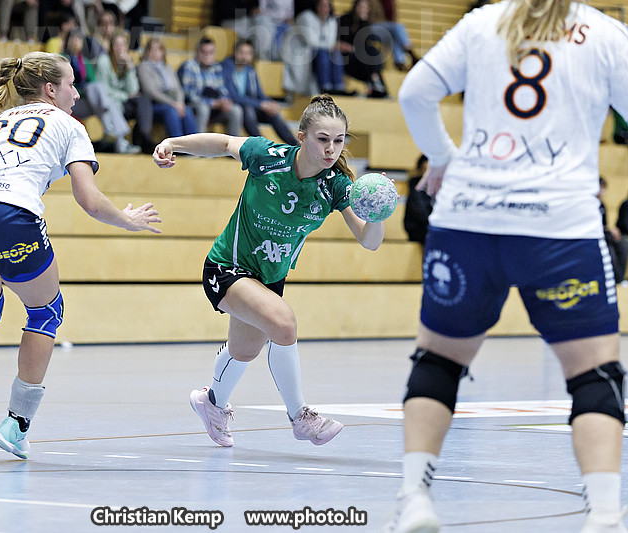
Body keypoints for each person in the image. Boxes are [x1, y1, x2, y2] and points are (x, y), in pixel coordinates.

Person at [392, 1, 628, 532]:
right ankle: (603, 516)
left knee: (438, 361)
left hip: (467, 220)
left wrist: (443, 157)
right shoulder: (607, 35)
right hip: (558, 228)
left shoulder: (482, 22)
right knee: (594, 375)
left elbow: (414, 93)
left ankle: (414, 499)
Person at [0, 51, 162, 459]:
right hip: (10, 215)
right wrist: (128, 220)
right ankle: (16, 426)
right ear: (50, 89)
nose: (76, 94)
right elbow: (89, 200)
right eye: (71, 84)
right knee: (46, 312)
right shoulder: (69, 125)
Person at [152, 94, 386, 447]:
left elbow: (369, 241)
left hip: (269, 280)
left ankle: (211, 403)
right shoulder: (267, 156)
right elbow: (224, 143)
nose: (331, 149)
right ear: (302, 137)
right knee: (284, 323)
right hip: (227, 268)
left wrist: (378, 213)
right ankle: (300, 417)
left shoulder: (335, 186)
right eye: (322, 139)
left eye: (338, 140)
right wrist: (173, 143)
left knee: (244, 351)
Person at [64, 28, 141, 153]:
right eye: (72, 38)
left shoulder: (85, 61)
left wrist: (130, 68)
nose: (75, 42)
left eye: (79, 39)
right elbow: (96, 87)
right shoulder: (62, 59)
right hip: (70, 101)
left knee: (102, 97)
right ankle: (117, 137)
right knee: (95, 90)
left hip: (90, 102)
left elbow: (133, 91)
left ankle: (117, 140)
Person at [221, 39, 298, 145]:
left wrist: (269, 103)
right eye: (241, 52)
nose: (244, 57)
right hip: (237, 108)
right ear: (235, 52)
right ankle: (262, 145)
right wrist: (261, 105)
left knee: (273, 113)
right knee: (248, 110)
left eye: (248, 53)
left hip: (252, 107)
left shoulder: (250, 70)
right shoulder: (226, 68)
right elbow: (234, 97)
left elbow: (259, 94)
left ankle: (296, 145)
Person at [282, 0, 356, 97]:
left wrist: (333, 45)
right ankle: (325, 87)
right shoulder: (306, 17)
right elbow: (311, 41)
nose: (323, 8)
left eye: (326, 6)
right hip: (300, 52)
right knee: (323, 54)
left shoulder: (331, 21)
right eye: (321, 5)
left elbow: (330, 42)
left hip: (316, 52)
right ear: (316, 6)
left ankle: (339, 88)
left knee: (336, 54)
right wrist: (333, 45)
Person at [95, 31, 154, 153]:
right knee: (123, 103)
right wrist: (125, 95)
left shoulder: (127, 62)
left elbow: (133, 90)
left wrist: (130, 67)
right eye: (117, 45)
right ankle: (138, 140)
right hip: (109, 102)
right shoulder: (103, 61)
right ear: (111, 47)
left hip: (123, 102)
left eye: (123, 44)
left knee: (144, 100)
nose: (120, 48)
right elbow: (103, 90)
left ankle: (144, 137)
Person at [178, 37, 243, 136]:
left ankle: (233, 145)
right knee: (203, 109)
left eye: (211, 52)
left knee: (236, 110)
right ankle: (198, 144)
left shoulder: (217, 67)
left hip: (215, 107)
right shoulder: (189, 66)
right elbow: (189, 96)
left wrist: (224, 101)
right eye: (204, 52)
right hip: (194, 107)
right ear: (197, 53)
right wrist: (213, 103)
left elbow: (223, 90)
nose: (207, 56)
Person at [137, 37, 198, 139]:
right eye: (152, 49)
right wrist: (173, 104)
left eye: (158, 49)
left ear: (163, 52)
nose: (155, 53)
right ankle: (177, 145)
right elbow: (150, 91)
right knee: (172, 111)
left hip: (173, 103)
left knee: (187, 110)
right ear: (147, 52)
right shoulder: (143, 67)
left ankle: (195, 145)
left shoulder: (168, 68)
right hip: (155, 104)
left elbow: (179, 89)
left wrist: (179, 103)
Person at [337, 0, 388, 98]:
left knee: (372, 53)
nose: (362, 9)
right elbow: (341, 40)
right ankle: (377, 84)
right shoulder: (345, 19)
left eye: (365, 8)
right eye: (361, 7)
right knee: (372, 54)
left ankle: (375, 83)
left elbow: (363, 43)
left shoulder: (365, 23)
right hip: (345, 56)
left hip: (358, 57)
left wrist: (363, 22)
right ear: (355, 7)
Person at [368, 0, 418, 71]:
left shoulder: (388, 2)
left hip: (384, 28)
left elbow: (392, 17)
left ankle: (399, 62)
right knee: (397, 27)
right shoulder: (371, 2)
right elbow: (369, 17)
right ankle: (410, 52)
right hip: (370, 28)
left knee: (394, 35)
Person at [599, 177, 628, 283]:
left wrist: (609, 229)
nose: (603, 191)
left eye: (604, 188)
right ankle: (616, 278)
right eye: (601, 188)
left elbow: (605, 224)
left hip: (607, 234)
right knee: (610, 250)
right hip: (595, 236)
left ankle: (620, 278)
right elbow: (624, 225)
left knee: (622, 246)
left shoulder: (602, 205)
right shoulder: (626, 205)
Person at [402, 154, 431, 247]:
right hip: (418, 229)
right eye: (425, 170)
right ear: (420, 170)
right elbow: (420, 213)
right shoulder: (415, 186)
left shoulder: (441, 186)